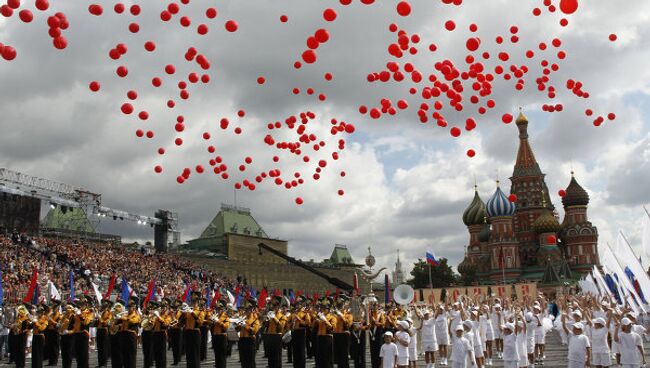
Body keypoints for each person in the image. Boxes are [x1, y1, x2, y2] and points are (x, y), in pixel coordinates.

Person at [315, 298, 337, 368]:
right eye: (322, 308)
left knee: (328, 357)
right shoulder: (320, 317)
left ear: (328, 309)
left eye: (325, 309)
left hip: (327, 338)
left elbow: (332, 328)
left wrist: (325, 320)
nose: (323, 310)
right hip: (320, 337)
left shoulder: (332, 317)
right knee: (320, 357)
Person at [209, 300, 230, 368]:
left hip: (222, 337)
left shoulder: (226, 316)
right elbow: (211, 327)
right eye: (217, 309)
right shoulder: (216, 316)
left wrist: (218, 321)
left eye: (219, 309)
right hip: (215, 337)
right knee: (217, 355)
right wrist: (211, 321)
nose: (218, 310)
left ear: (223, 309)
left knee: (222, 356)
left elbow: (226, 327)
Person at [96, 299, 112, 368]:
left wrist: (99, 317)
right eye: (102, 303)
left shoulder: (109, 313)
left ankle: (104, 364)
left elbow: (105, 323)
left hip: (104, 331)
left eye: (104, 303)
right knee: (99, 348)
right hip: (99, 330)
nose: (103, 304)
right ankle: (100, 363)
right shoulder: (100, 312)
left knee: (104, 348)